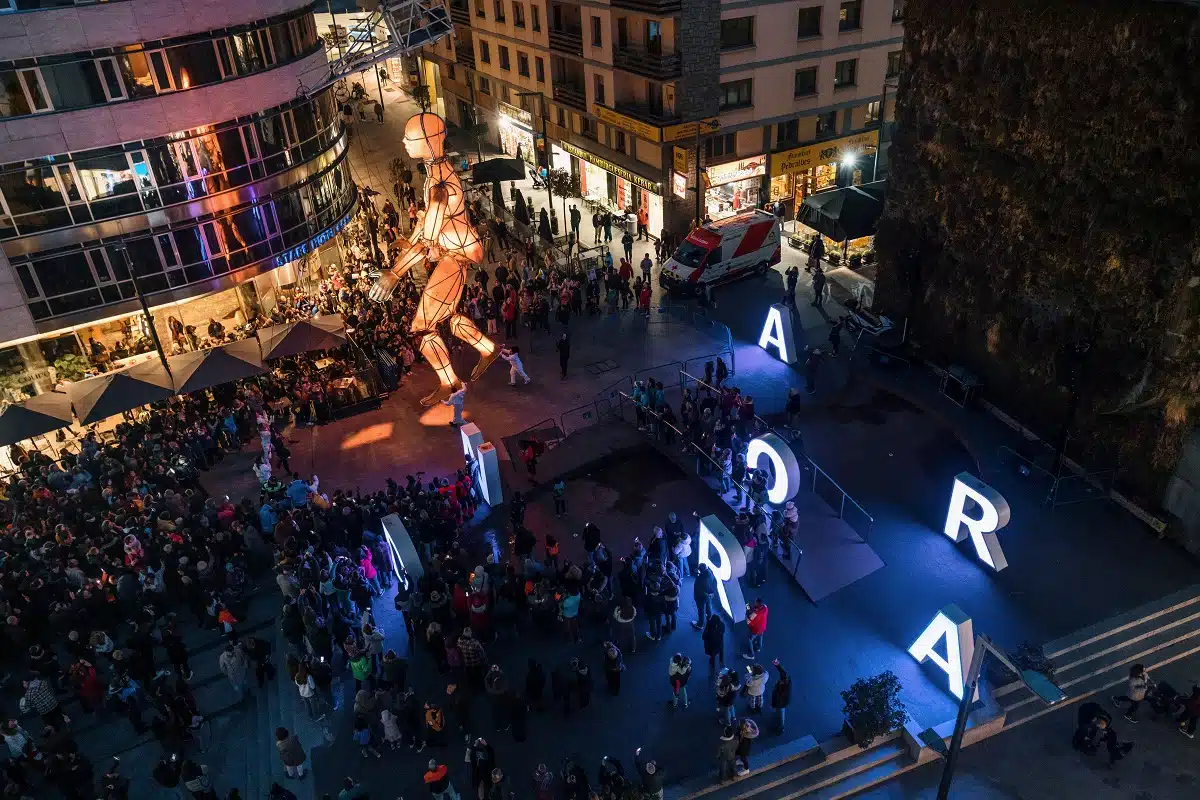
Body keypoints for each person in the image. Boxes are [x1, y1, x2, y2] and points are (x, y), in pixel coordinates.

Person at [692, 563, 716, 628]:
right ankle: (710, 621)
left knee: (701, 610)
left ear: (700, 570)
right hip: (709, 595)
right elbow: (714, 582)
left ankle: (700, 624)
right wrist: (712, 593)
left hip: (701, 597)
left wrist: (697, 574)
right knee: (709, 608)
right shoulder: (710, 573)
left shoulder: (700, 578)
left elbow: (698, 589)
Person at [770, 660, 791, 733]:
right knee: (780, 712)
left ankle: (780, 727)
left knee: (781, 713)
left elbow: (780, 697)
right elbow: (783, 673)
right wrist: (777, 665)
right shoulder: (786, 682)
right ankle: (779, 723)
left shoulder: (784, 690)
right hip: (781, 702)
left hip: (780, 703)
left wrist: (774, 703)